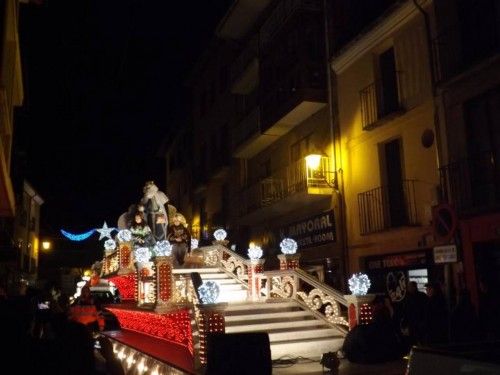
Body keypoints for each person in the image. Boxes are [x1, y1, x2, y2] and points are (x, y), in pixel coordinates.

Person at [401, 281, 428, 346]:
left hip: (417, 323)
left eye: (410, 287)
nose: (408, 288)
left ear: (414, 287)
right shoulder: (421, 296)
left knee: (417, 340)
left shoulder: (408, 298)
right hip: (415, 323)